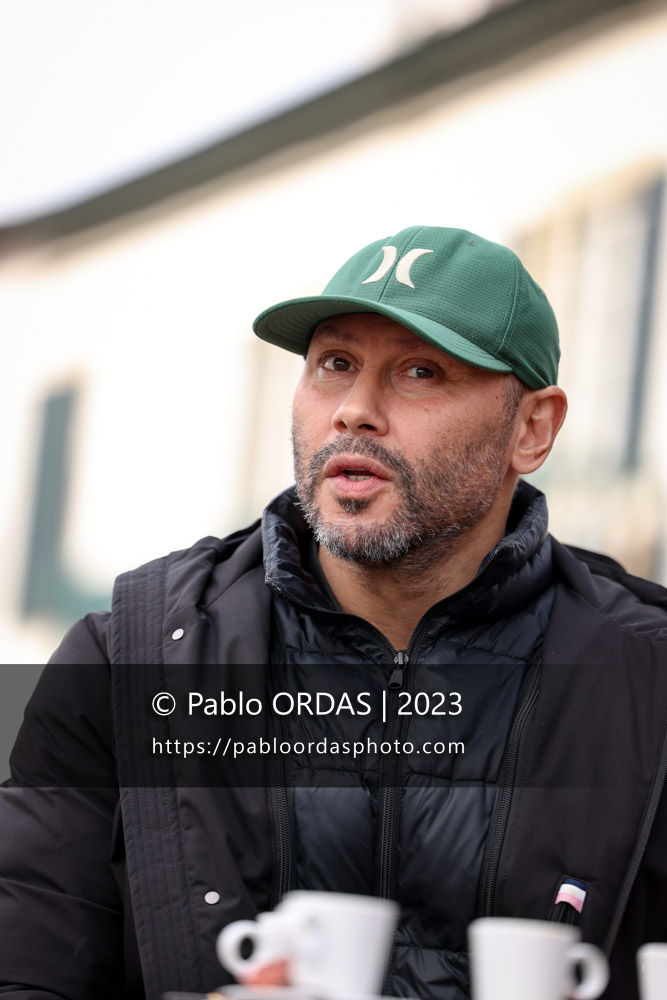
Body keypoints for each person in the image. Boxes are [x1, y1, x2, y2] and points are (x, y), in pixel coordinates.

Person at [1, 226, 666, 1000]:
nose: (354, 411)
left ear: (532, 428)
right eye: (334, 364)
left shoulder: (647, 675)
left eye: (419, 372)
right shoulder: (128, 660)